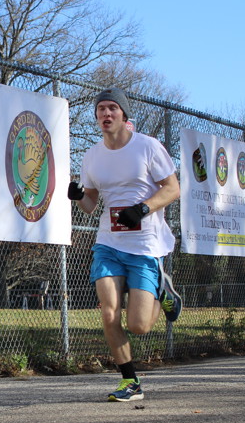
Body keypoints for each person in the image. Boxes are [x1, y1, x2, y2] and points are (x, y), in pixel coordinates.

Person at [68, 88, 182, 402]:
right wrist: (78, 197)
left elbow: (173, 188)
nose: (106, 114)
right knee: (108, 313)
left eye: (112, 108)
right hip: (108, 243)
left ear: (123, 114)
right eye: (101, 109)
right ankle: (130, 381)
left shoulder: (147, 146)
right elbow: (91, 205)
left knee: (139, 325)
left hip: (144, 245)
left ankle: (162, 293)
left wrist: (142, 209)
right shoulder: (92, 155)